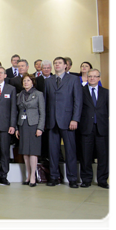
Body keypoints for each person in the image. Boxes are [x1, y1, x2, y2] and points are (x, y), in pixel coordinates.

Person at [44, 57, 82, 188]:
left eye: (59, 63)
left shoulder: (73, 79)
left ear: (66, 66)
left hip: (68, 121)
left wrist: (75, 119)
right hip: (52, 121)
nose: (57, 65)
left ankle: (72, 178)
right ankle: (54, 177)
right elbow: (45, 102)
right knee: (53, 151)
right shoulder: (48, 81)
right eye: (55, 63)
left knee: (70, 151)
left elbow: (78, 101)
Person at [79, 69, 112, 189]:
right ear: (87, 77)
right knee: (85, 155)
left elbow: (110, 110)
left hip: (102, 128)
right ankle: (86, 179)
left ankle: (103, 180)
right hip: (86, 127)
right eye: (90, 76)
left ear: (99, 78)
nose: (92, 78)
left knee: (104, 156)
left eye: (95, 76)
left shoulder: (106, 92)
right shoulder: (81, 91)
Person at [15, 73, 45, 187]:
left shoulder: (38, 94)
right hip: (23, 125)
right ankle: (28, 176)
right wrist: (17, 127)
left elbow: (42, 112)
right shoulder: (20, 94)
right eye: (24, 81)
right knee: (25, 152)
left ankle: (33, 176)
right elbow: (17, 112)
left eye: (28, 80)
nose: (26, 82)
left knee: (33, 152)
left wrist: (40, 128)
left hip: (34, 125)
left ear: (32, 82)